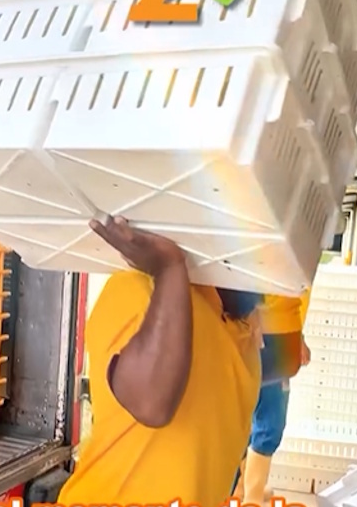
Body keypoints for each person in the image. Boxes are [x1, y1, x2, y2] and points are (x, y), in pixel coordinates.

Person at [57, 216, 299, 506]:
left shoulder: (242, 335)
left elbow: (290, 358)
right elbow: (151, 403)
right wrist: (169, 268)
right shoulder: (137, 290)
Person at [233, 292, 311, 505]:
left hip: (273, 331)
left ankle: (243, 490)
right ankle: (250, 496)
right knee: (269, 423)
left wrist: (297, 336)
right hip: (267, 332)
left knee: (251, 420)